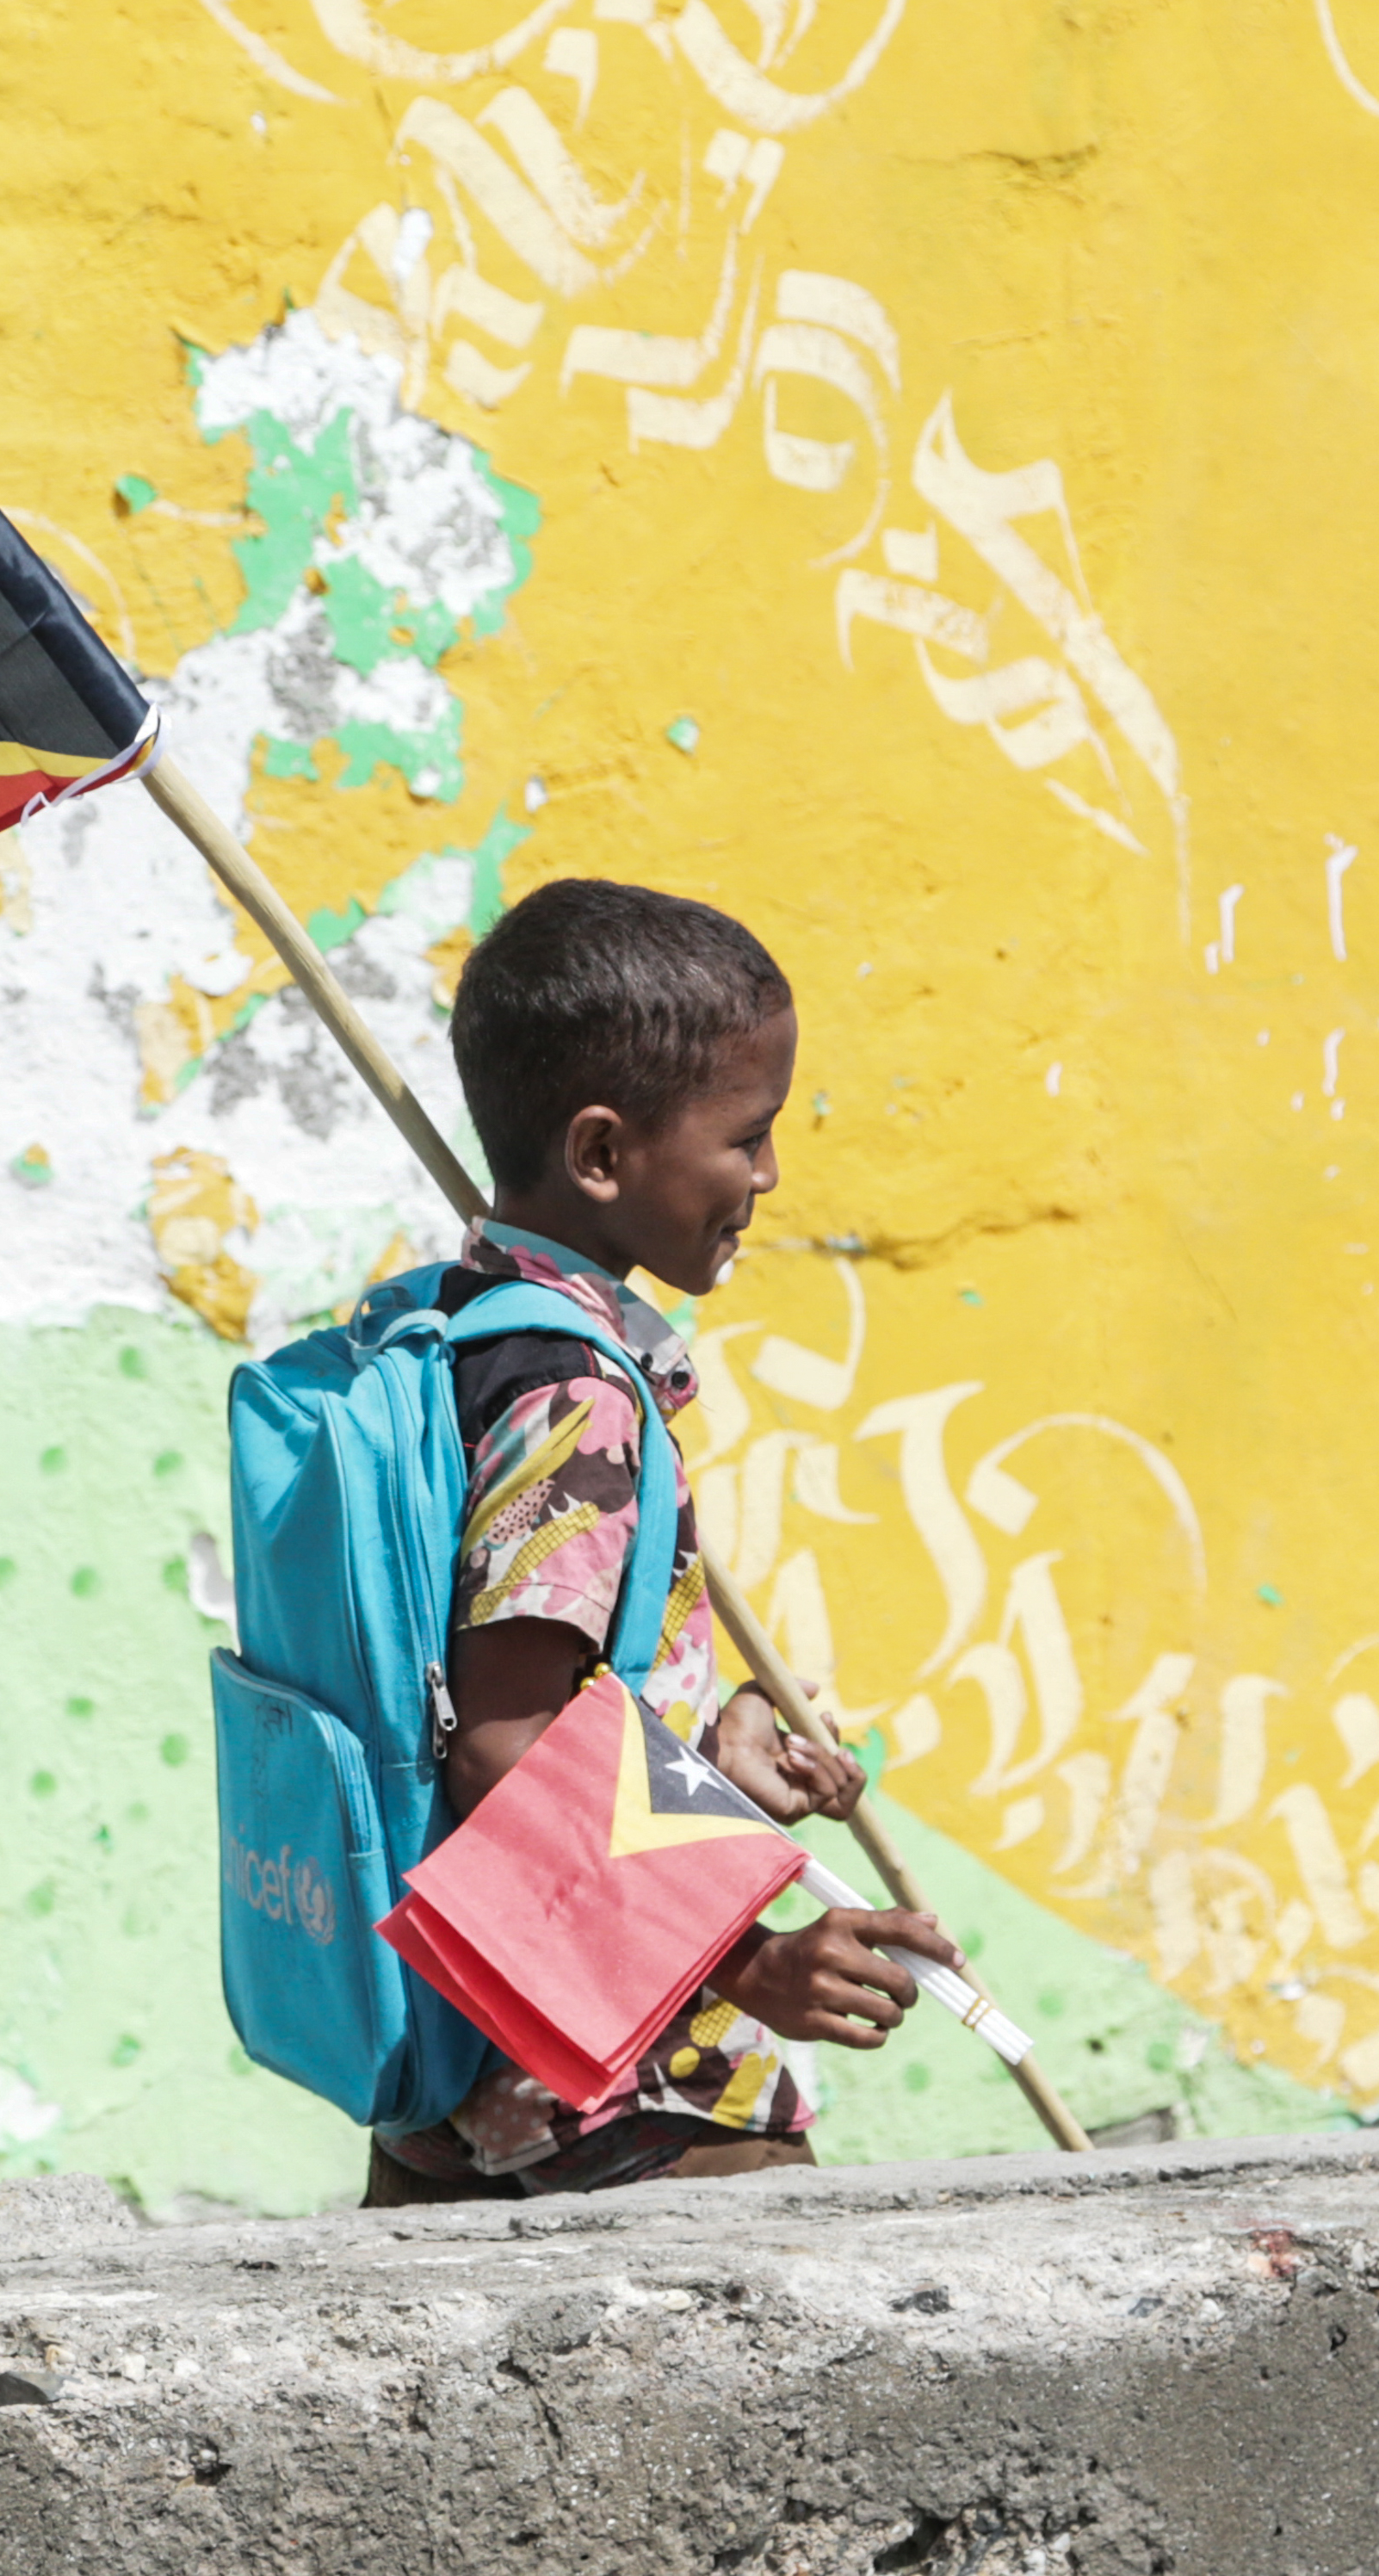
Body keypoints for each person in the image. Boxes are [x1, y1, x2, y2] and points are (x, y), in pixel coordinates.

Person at [363, 876, 964, 2205]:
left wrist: (719, 1754)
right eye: (747, 1136)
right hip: (637, 2078)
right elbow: (510, 1738)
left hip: (469, 2060)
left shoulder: (443, 1328)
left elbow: (541, 1689)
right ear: (600, 1153)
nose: (768, 1174)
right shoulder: (570, 1392)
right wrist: (752, 1959)